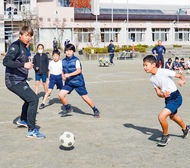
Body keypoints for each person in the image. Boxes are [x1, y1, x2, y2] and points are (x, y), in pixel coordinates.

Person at [3, 26, 45, 139]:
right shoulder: (15, 46)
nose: (28, 38)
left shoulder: (26, 47)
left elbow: (23, 61)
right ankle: (31, 130)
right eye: (26, 35)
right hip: (13, 81)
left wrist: (29, 65)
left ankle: (22, 119)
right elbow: (6, 61)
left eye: (30, 36)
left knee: (29, 98)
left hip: (21, 80)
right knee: (34, 99)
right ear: (20, 35)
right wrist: (23, 65)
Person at [143, 55, 189, 146]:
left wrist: (182, 81)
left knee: (161, 117)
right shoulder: (151, 78)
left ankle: (165, 136)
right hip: (168, 99)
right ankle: (185, 129)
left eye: (146, 65)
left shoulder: (164, 71)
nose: (144, 67)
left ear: (153, 64)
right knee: (173, 117)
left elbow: (181, 76)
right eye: (143, 65)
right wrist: (163, 94)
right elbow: (158, 93)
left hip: (176, 97)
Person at [59, 43, 100, 118]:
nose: (68, 52)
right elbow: (62, 70)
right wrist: (63, 76)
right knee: (61, 95)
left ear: (73, 52)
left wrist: (68, 75)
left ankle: (95, 110)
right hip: (69, 83)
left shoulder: (76, 60)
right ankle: (68, 108)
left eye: (70, 50)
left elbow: (79, 71)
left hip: (78, 82)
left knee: (84, 97)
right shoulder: (63, 61)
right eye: (67, 50)